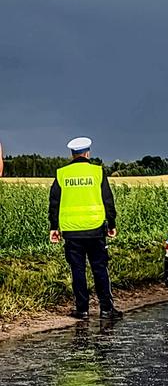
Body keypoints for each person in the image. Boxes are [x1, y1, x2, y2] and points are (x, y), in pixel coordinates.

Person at [49, 137, 123, 320]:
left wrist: (54, 227)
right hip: (95, 229)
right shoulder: (97, 172)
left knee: (78, 270)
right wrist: (111, 224)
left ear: (72, 155)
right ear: (88, 153)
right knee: (100, 268)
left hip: (72, 232)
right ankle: (106, 309)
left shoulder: (62, 173)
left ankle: (82, 310)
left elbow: (54, 203)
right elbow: (108, 200)